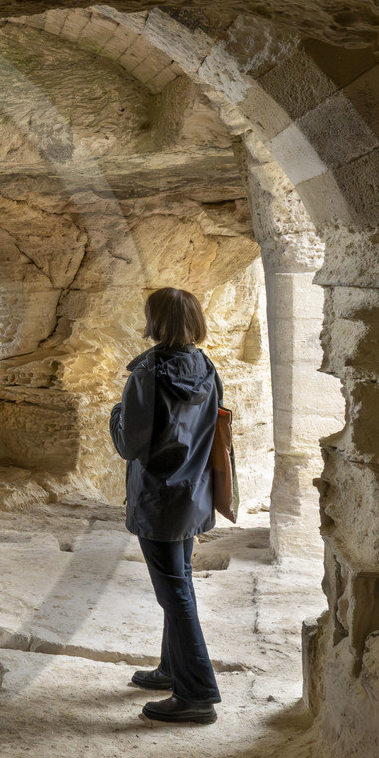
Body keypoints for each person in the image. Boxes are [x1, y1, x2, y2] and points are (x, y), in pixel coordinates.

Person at [109, 286, 223, 725]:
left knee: (175, 593)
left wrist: (116, 413)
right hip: (192, 495)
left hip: (158, 500)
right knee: (181, 583)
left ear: (155, 321)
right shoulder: (206, 367)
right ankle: (170, 669)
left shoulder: (147, 374)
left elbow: (129, 444)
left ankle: (196, 695)